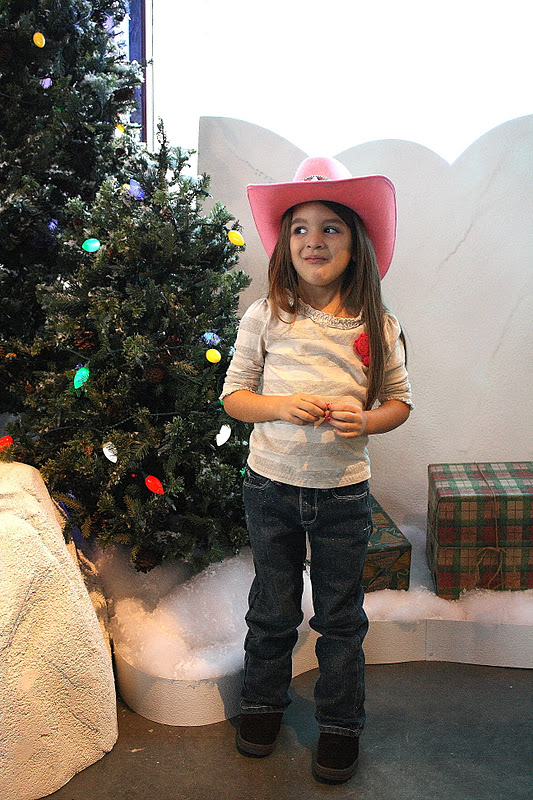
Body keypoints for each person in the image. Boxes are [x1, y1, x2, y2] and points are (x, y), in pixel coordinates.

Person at [221, 156, 413, 784]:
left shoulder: (378, 325)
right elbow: (234, 397)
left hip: (341, 496)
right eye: (300, 228)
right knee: (273, 607)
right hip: (270, 487)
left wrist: (369, 420)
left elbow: (399, 402)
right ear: (285, 244)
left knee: (340, 617)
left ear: (357, 244)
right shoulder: (265, 316)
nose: (314, 240)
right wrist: (279, 406)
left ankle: (340, 725)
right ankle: (261, 705)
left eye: (331, 227)